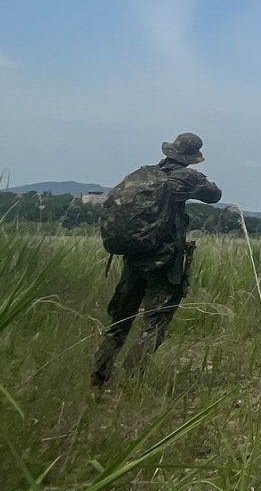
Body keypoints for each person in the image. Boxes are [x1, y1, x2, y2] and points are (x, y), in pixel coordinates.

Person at [91, 132, 221, 389]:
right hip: (164, 262)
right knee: (154, 324)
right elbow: (214, 194)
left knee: (119, 322)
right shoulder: (186, 177)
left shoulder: (144, 174)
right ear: (192, 158)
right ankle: (130, 384)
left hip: (134, 259)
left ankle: (98, 379)